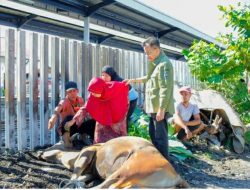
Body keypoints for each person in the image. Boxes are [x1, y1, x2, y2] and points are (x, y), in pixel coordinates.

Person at [124, 36, 174, 159]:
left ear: (156, 49)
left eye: (148, 53)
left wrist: (162, 109)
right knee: (153, 134)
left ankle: (163, 165)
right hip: (153, 106)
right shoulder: (155, 62)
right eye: (145, 53)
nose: (147, 56)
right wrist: (133, 80)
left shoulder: (164, 64)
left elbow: (165, 88)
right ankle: (158, 161)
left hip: (159, 108)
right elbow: (148, 77)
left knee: (160, 138)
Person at [66, 77, 129, 144]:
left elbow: (123, 87)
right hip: (102, 119)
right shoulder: (93, 95)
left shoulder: (114, 88)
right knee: (99, 141)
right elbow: (85, 108)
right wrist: (73, 120)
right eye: (91, 92)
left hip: (117, 119)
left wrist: (128, 82)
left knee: (120, 143)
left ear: (101, 90)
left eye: (95, 93)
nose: (93, 94)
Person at [48, 81, 95, 148]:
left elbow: (85, 111)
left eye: (74, 91)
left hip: (78, 125)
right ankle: (66, 140)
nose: (72, 93)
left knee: (93, 121)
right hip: (67, 127)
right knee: (69, 118)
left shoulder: (80, 100)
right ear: (66, 93)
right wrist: (53, 118)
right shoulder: (64, 101)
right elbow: (58, 109)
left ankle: (86, 138)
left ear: (77, 91)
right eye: (70, 92)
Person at [101, 65, 138, 131]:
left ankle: (124, 137)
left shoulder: (117, 82)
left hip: (132, 100)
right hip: (124, 99)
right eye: (102, 75)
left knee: (124, 118)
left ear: (111, 75)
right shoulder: (109, 81)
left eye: (106, 76)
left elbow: (118, 99)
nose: (104, 78)